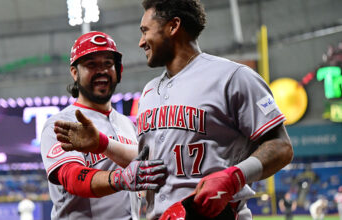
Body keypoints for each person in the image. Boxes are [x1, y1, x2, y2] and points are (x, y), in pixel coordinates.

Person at [54, 0, 294, 219]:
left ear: (173, 26)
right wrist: (102, 144)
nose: (140, 42)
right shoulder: (149, 92)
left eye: (145, 31)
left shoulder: (233, 77)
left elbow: (281, 147)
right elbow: (149, 164)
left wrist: (235, 176)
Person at [40, 31, 167, 220]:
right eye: (91, 64)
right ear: (75, 73)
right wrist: (120, 179)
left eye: (108, 63)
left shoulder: (128, 125)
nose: (101, 70)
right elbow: (71, 177)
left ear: (119, 71)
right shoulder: (60, 123)